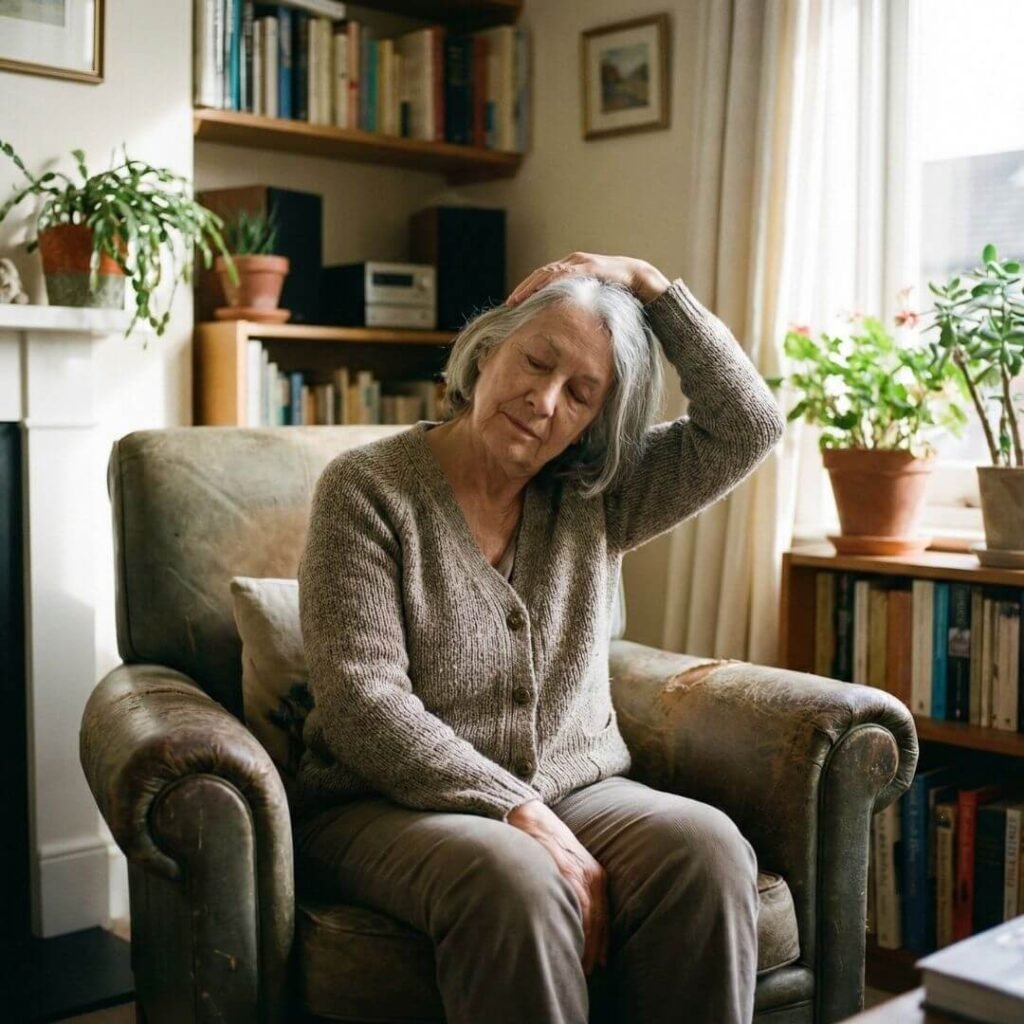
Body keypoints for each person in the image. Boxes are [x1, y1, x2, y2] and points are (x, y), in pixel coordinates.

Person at [293, 252, 786, 1024]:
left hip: (577, 789)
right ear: (488, 349)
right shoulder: (368, 489)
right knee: (516, 877)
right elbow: (363, 702)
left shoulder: (598, 497)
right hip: (382, 803)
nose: (543, 398)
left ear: (595, 422)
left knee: (706, 845)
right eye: (536, 361)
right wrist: (512, 807)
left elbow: (748, 424)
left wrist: (651, 286)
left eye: (581, 393)